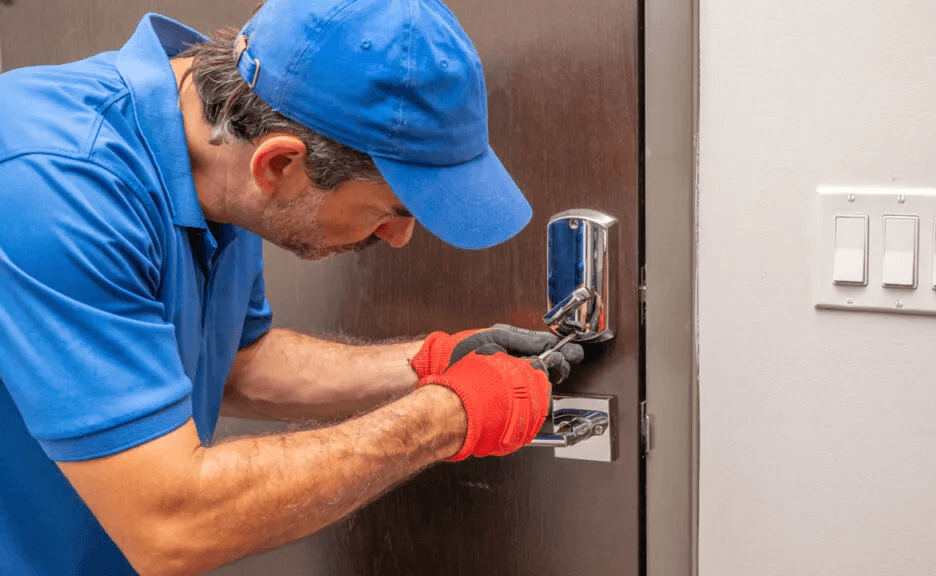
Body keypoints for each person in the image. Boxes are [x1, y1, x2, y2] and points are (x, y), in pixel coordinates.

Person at [0, 1, 584, 574]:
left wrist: (428, 363)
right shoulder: (56, 189)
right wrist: (444, 417)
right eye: (393, 210)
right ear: (279, 165)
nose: (399, 238)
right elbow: (173, 525)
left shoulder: (220, 153)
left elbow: (235, 363)